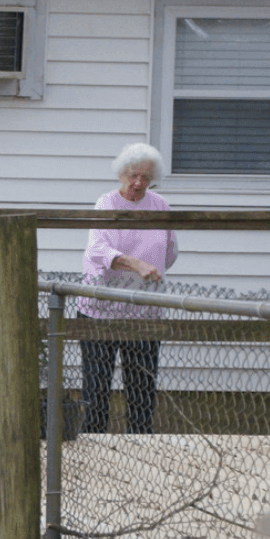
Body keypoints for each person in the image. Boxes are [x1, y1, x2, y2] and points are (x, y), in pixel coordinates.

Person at [76, 142, 178, 435]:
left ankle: (140, 445)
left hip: (144, 314)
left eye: (146, 177)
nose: (138, 183)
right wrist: (136, 265)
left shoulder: (160, 206)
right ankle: (93, 445)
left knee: (142, 390)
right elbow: (97, 250)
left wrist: (151, 271)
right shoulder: (106, 203)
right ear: (122, 173)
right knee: (96, 387)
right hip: (100, 312)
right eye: (133, 175)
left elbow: (170, 251)